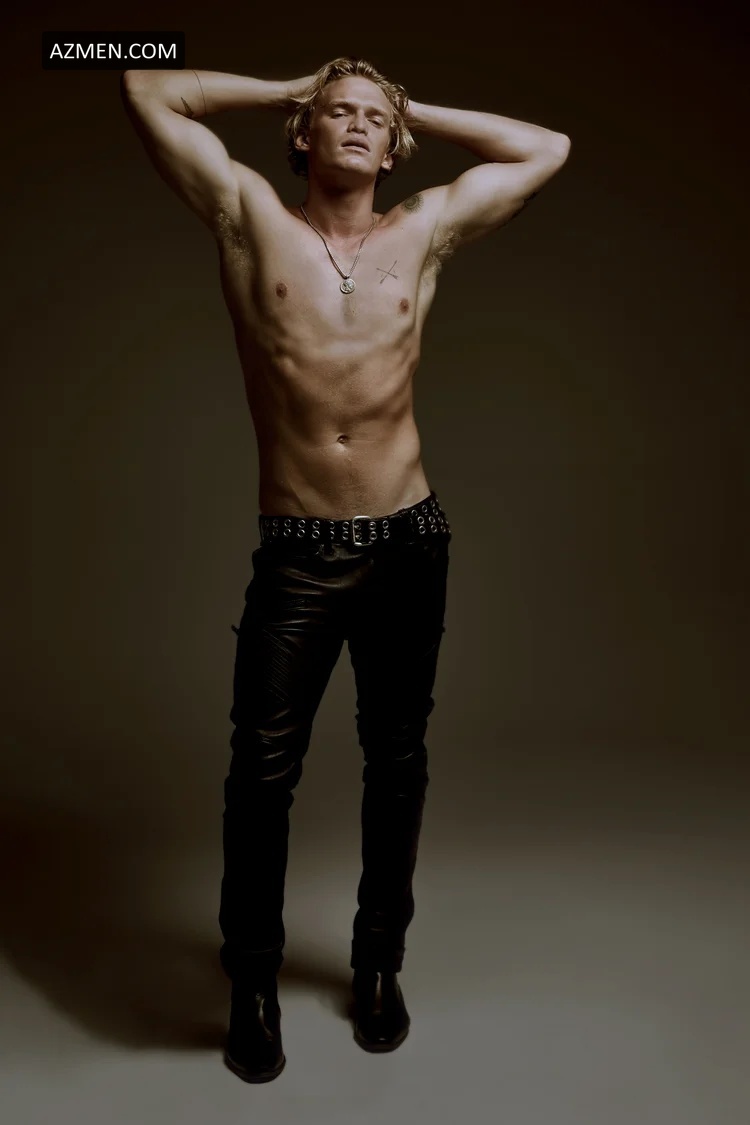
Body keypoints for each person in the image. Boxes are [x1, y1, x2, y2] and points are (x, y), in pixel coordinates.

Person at [121, 56, 570, 1082]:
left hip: (410, 541)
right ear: (304, 132)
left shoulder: (426, 229)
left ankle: (377, 966)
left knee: (397, 763)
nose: (359, 124)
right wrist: (288, 83)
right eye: (338, 112)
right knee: (260, 777)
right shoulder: (249, 218)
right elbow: (138, 82)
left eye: (376, 116)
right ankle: (252, 984)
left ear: (393, 140)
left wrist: (414, 105)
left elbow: (548, 148)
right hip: (299, 554)